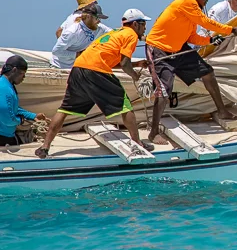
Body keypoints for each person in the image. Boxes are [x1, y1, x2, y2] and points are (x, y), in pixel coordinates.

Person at [36, 9, 153, 158]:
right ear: (135, 24)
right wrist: (135, 76)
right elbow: (124, 63)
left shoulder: (114, 33)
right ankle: (138, 143)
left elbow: (109, 60)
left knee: (65, 109)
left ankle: (45, 147)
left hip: (78, 68)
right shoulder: (130, 35)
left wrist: (137, 64)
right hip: (96, 71)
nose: (145, 28)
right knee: (125, 106)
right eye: (143, 24)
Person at [145, 0, 237, 142]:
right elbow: (205, 22)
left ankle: (222, 111)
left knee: (207, 72)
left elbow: (192, 37)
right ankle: (153, 132)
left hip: (178, 48)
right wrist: (231, 29)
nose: (206, 1)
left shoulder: (193, 10)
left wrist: (210, 40)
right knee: (164, 90)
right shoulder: (186, 2)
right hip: (159, 49)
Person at [0, 55, 47, 146]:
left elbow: (12, 108)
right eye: (22, 74)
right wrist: (21, 120)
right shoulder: (5, 89)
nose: (24, 77)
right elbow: (7, 120)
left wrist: (33, 116)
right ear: (14, 70)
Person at [51, 2, 111, 69]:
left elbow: (114, 33)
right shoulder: (72, 32)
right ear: (88, 17)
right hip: (60, 67)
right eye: (97, 18)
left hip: (77, 67)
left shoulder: (99, 28)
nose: (99, 21)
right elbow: (56, 51)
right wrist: (78, 54)